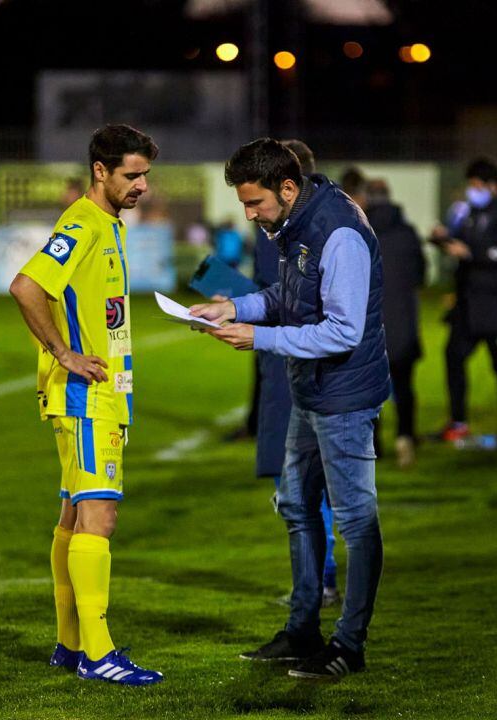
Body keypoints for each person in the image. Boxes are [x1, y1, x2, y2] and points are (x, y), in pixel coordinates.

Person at [191, 138, 390, 680]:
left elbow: (343, 330)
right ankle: (303, 630)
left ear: (287, 186)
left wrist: (260, 339)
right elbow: (286, 300)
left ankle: (350, 644)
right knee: (297, 506)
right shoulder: (294, 224)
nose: (249, 215)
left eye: (254, 203)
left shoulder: (338, 232)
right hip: (311, 390)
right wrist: (231, 305)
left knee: (354, 519)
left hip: (344, 395)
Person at [8, 124, 163, 686]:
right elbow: (26, 286)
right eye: (132, 174)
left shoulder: (107, 223)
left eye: (146, 174)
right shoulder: (82, 222)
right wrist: (63, 353)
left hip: (101, 395)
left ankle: (70, 646)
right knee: (100, 516)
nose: (143, 184)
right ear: (101, 171)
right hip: (85, 396)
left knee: (76, 514)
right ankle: (98, 653)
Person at [256, 139, 339, 607]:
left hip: (304, 369)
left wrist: (244, 307)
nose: (252, 212)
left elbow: (291, 301)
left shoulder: (315, 227)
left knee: (304, 487)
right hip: (295, 367)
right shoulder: (315, 219)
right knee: (304, 488)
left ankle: (321, 583)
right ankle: (316, 585)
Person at [431, 158, 497, 445]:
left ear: (493, 186)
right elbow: (465, 243)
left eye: (476, 185)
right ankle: (458, 421)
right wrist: (444, 239)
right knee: (453, 356)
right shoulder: (474, 214)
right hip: (470, 305)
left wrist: (471, 252)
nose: (472, 191)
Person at [366, 177, 425, 467]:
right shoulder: (408, 233)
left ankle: (375, 445)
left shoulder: (359, 233)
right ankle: (406, 437)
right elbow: (421, 276)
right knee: (405, 387)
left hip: (371, 325)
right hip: (404, 322)